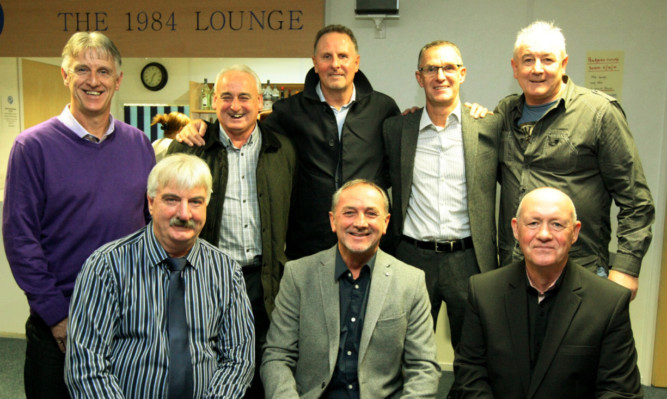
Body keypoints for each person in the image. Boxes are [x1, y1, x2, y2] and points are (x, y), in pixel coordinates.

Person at [2, 31, 155, 398]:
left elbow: (152, 228)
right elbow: (21, 239)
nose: (93, 80)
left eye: (103, 71)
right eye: (82, 69)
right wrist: (57, 317)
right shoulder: (32, 146)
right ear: (65, 75)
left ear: (117, 80)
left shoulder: (139, 144)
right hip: (60, 324)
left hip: (127, 323)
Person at [178, 24, 400, 260]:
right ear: (314, 62)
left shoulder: (383, 109)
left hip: (370, 242)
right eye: (326, 56)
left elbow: (397, 165)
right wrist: (203, 128)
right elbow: (245, 128)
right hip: (308, 247)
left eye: (343, 56)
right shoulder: (288, 112)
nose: (335, 64)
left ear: (356, 62)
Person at [65, 154, 255, 398]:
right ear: (151, 202)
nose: (184, 214)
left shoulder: (226, 270)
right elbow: (86, 365)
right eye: (172, 200)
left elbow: (238, 359)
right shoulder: (106, 266)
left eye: (195, 201)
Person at [496, 21, 654, 300]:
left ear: (564, 63)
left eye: (547, 59)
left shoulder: (599, 113)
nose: (537, 69)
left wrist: (627, 267)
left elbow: (636, 201)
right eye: (528, 60)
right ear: (514, 67)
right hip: (515, 274)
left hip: (580, 273)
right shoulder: (505, 112)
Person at [167, 64, 295, 398]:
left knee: (259, 369)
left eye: (243, 97)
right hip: (206, 281)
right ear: (214, 102)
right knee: (208, 369)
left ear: (259, 102)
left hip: (263, 281)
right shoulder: (187, 148)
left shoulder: (282, 150)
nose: (235, 105)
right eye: (226, 96)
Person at [453, 187, 642, 398]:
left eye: (557, 224)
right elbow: (469, 375)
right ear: (516, 229)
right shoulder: (483, 292)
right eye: (533, 223)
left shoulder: (609, 302)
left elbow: (620, 392)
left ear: (575, 232)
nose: (544, 234)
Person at [261, 179, 440, 398]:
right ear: (333, 220)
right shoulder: (297, 275)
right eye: (349, 213)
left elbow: (423, 368)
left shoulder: (410, 282)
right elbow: (277, 356)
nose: (361, 223)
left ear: (386, 223)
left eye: (371, 214)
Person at [383, 41, 502, 351]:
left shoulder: (489, 126)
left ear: (462, 74)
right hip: (412, 258)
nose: (440, 75)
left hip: (469, 260)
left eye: (449, 67)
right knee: (405, 352)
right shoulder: (397, 129)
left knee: (474, 355)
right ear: (419, 77)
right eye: (430, 68)